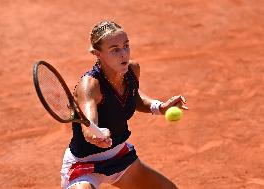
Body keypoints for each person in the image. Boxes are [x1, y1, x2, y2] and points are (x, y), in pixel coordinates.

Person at [60, 20, 189, 189]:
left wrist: (160, 107)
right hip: (85, 166)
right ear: (98, 53)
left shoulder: (132, 70)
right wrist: (96, 134)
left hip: (119, 158)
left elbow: (133, 97)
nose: (123, 54)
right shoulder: (89, 86)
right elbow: (88, 125)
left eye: (126, 46)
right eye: (114, 50)